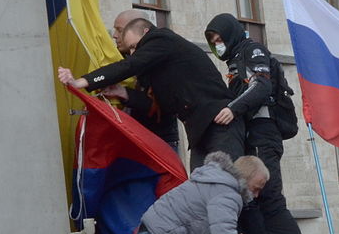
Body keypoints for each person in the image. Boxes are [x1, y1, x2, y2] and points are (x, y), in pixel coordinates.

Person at [58, 18, 245, 169]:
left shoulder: (161, 38)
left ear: (146, 32)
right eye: (130, 49)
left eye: (135, 46)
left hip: (220, 122)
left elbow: (128, 66)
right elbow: (161, 108)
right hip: (199, 131)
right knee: (200, 191)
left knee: (230, 185)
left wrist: (83, 81)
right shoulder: (159, 69)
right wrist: (123, 92)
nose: (134, 53)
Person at [205, 13, 305, 234]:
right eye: (213, 41)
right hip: (252, 135)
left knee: (268, 198)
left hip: (263, 131)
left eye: (220, 39)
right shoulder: (235, 59)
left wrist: (232, 109)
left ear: (231, 34)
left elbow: (261, 85)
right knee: (251, 201)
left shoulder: (252, 50)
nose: (217, 45)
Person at [135, 151, 268, 234]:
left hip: (156, 229)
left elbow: (210, 232)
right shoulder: (227, 193)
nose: (256, 195)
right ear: (246, 178)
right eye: (256, 188)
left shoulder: (216, 179)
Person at [99, 10, 180, 151]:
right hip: (132, 141)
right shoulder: (117, 58)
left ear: (140, 31)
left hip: (160, 142)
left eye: (120, 30)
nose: (115, 36)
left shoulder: (159, 59)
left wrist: (124, 93)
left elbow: (164, 107)